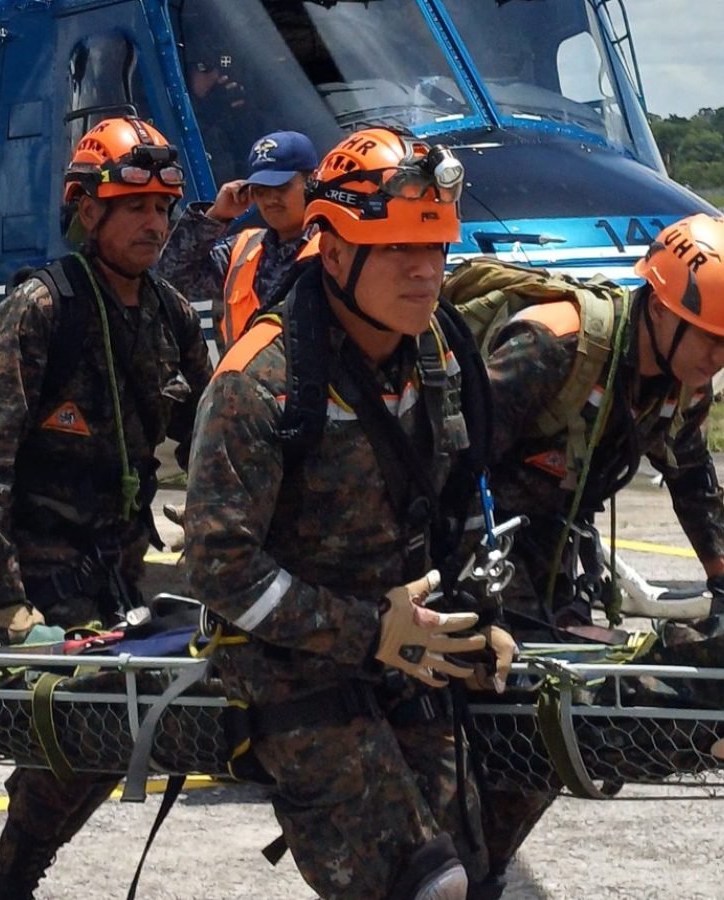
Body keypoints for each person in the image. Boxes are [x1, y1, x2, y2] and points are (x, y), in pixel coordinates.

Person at [183, 127, 514, 900]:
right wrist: (367, 633)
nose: (425, 270)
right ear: (332, 253)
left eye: (435, 247)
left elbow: (457, 501)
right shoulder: (257, 383)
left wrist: (475, 615)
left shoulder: (434, 354)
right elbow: (219, 566)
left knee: (479, 853)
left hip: (404, 648)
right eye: (398, 247)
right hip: (291, 665)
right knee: (421, 882)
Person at [0, 115, 213, 899]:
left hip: (119, 572)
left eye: (164, 207)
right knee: (92, 732)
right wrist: (5, 599)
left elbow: (218, 438)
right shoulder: (41, 309)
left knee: (110, 738)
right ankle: (11, 880)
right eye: (135, 206)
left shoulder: (170, 316)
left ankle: (11, 877)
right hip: (41, 572)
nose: (155, 223)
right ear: (87, 210)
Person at [468, 213, 724, 893]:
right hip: (466, 554)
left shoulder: (678, 381)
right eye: (712, 339)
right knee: (491, 733)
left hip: (542, 561)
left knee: (542, 734)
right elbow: (445, 461)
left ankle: (478, 866)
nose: (720, 359)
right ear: (661, 308)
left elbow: (690, 473)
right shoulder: (554, 349)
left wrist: (722, 579)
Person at [156, 130, 318, 353]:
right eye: (261, 191)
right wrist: (217, 216)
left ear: (312, 183)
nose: (271, 200)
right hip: (247, 385)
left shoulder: (335, 248)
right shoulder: (243, 250)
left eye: (282, 188)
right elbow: (171, 276)